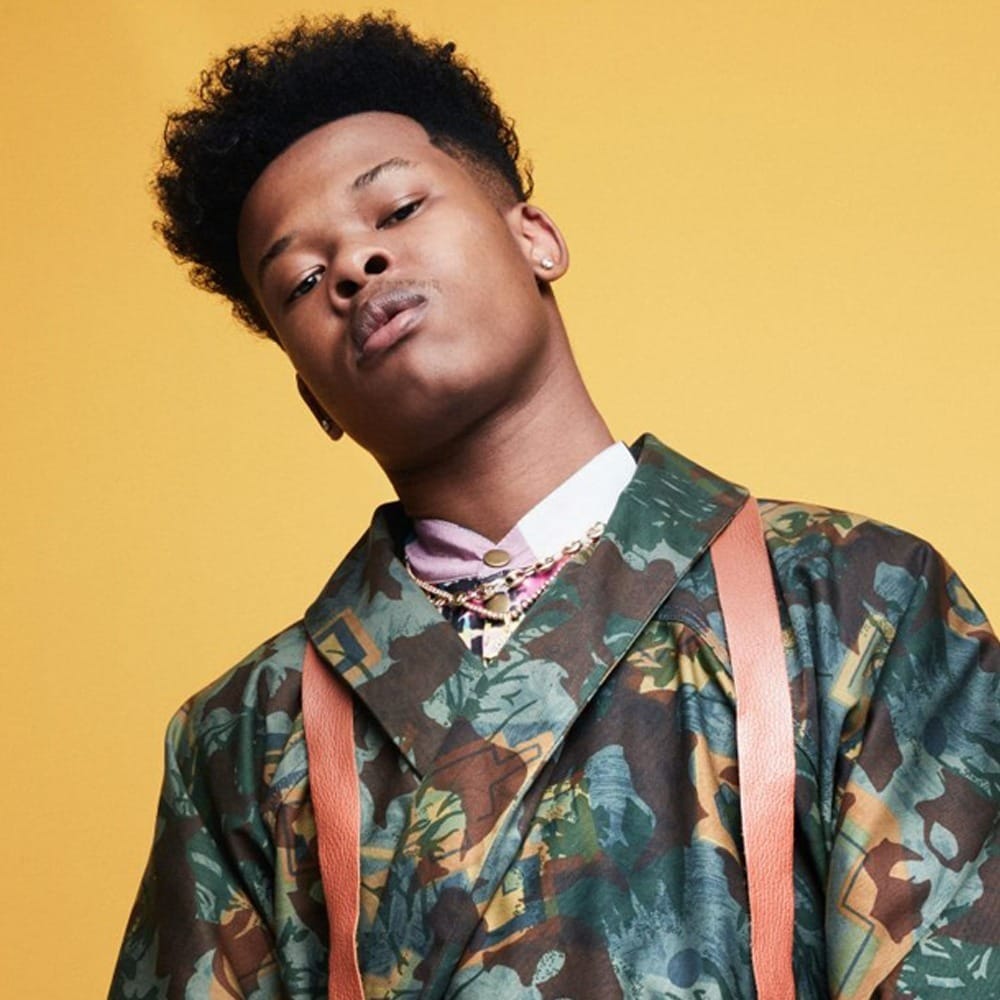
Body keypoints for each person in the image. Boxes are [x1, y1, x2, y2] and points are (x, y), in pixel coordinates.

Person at [110, 13, 998, 999]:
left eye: (397, 210)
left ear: (533, 237)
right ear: (311, 395)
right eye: (303, 279)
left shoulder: (856, 592)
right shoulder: (242, 735)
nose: (355, 267)